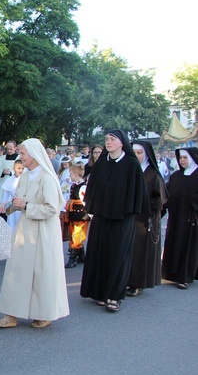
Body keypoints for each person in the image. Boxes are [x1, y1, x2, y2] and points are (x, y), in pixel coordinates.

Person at [0, 138, 70, 329]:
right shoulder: (26, 176)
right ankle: (11, 314)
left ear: (34, 155)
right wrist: (8, 206)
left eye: (23, 153)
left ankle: (44, 313)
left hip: (44, 232)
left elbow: (52, 208)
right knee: (16, 271)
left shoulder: (48, 178)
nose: (20, 156)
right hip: (24, 230)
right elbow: (20, 201)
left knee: (42, 273)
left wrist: (26, 206)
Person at [80, 130, 148, 312]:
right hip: (102, 217)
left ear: (122, 143)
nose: (108, 142)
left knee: (118, 256)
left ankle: (115, 296)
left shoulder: (132, 164)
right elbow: (92, 191)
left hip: (122, 219)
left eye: (112, 139)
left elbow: (137, 193)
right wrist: (91, 210)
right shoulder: (101, 164)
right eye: (107, 139)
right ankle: (101, 292)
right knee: (100, 253)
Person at [125, 141, 168, 296]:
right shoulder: (130, 171)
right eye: (134, 152)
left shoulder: (153, 174)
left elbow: (160, 200)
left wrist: (145, 209)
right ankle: (126, 279)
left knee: (140, 252)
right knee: (128, 250)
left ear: (146, 154)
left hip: (145, 219)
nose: (136, 156)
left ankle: (138, 283)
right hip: (129, 217)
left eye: (139, 153)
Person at [161, 147, 198, 289]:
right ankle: (171, 273)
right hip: (175, 216)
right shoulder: (176, 175)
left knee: (187, 246)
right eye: (181, 158)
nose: (182, 160)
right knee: (173, 242)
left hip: (191, 218)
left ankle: (185, 276)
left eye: (185, 158)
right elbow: (167, 193)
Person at [64, 163, 88, 268]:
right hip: (74, 214)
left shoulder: (83, 186)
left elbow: (85, 201)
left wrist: (87, 214)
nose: (69, 176)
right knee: (73, 233)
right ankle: (82, 256)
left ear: (76, 174)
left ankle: (72, 258)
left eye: (71, 174)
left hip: (80, 215)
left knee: (77, 236)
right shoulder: (74, 185)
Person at [0, 159, 24, 234]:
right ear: (14, 168)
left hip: (21, 205)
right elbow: (6, 195)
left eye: (22, 168)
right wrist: (3, 205)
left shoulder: (25, 180)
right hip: (11, 205)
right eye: (19, 168)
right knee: (11, 225)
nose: (21, 170)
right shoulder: (9, 180)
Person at [0, 140, 18, 206]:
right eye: (7, 149)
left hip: (13, 184)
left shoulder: (18, 159)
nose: (9, 151)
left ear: (15, 148)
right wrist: (2, 172)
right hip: (3, 183)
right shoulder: (2, 158)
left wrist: (11, 173)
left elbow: (21, 170)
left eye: (11, 149)